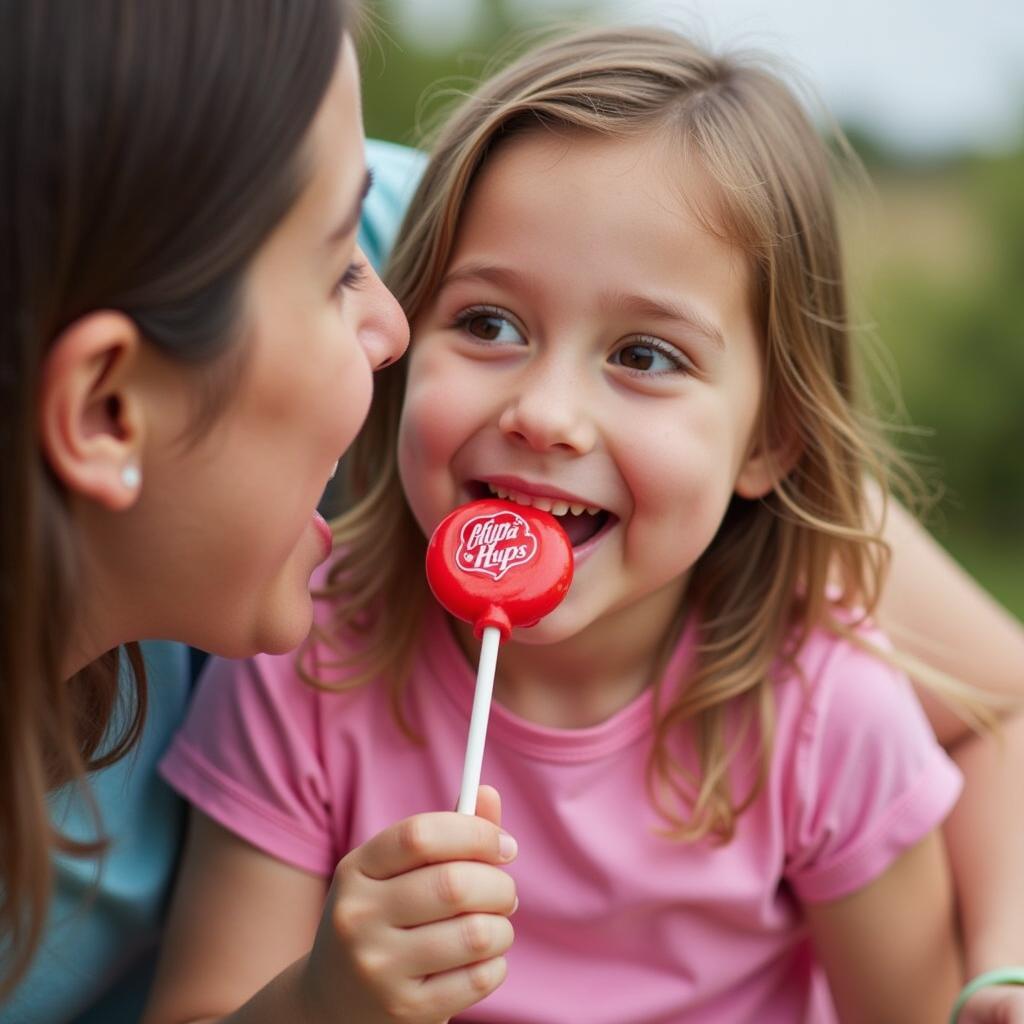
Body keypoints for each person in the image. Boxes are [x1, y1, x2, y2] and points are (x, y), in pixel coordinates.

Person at [143, 25, 1023, 1024]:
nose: (546, 414)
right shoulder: (303, 668)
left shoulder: (827, 720)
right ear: (400, 335)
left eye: (644, 355)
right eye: (488, 324)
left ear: (767, 441)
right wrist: (321, 999)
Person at [0, 1, 516, 1016]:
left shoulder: (268, 183)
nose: (398, 325)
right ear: (108, 410)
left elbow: (802, 509)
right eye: (338, 276)